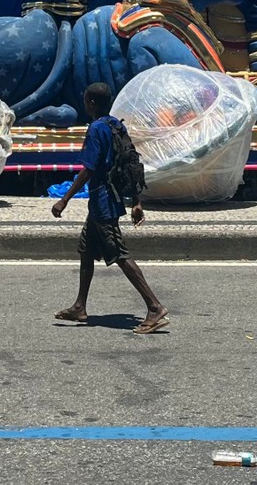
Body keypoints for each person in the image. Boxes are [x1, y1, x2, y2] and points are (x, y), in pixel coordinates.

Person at [51, 82, 168, 334]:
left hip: (103, 202)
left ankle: (154, 306)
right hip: (104, 202)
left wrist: (65, 199)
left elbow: (89, 169)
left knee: (119, 255)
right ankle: (80, 307)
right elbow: (131, 162)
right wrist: (137, 201)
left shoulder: (96, 129)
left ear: (91, 103)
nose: (84, 104)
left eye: (85, 100)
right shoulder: (117, 125)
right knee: (85, 250)